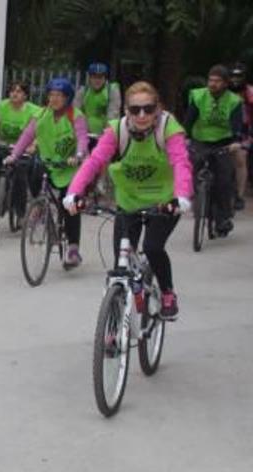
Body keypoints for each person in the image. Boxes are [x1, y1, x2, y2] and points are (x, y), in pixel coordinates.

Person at [63, 81, 193, 319]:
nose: (141, 115)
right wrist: (74, 192)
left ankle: (167, 293)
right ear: (126, 111)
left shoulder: (168, 128)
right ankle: (113, 327)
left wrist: (182, 196)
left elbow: (181, 163)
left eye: (148, 108)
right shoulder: (117, 130)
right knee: (120, 266)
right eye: (135, 110)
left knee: (153, 247)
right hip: (129, 202)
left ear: (158, 108)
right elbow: (94, 161)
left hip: (164, 203)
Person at [4, 77, 89, 268]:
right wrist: (14, 155)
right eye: (51, 95)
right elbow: (27, 135)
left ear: (67, 98)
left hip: (70, 167)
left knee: (70, 205)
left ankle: (73, 249)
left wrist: (78, 154)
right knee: (32, 169)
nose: (54, 99)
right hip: (49, 163)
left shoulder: (76, 116)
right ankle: (40, 207)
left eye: (59, 95)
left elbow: (82, 139)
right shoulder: (42, 115)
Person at [183, 64, 244, 236]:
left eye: (217, 81)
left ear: (225, 83)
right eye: (210, 80)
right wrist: (185, 137)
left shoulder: (234, 101)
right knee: (195, 170)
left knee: (223, 180)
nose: (212, 84)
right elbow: (189, 119)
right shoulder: (198, 96)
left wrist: (237, 141)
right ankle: (200, 203)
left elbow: (237, 125)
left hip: (223, 143)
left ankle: (223, 218)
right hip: (200, 140)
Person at [0, 81, 42, 217]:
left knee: (20, 175)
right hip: (5, 145)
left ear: (25, 95)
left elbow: (38, 130)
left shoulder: (34, 110)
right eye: (12, 90)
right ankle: (0, 197)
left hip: (24, 148)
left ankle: (20, 213)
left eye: (19, 91)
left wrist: (33, 145)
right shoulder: (3, 106)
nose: (14, 93)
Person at [74, 62, 122, 148]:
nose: (97, 80)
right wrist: (80, 132)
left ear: (105, 78)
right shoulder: (83, 91)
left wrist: (106, 133)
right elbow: (76, 111)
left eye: (100, 77)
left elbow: (113, 112)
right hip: (84, 135)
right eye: (94, 77)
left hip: (105, 135)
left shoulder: (112, 90)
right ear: (90, 78)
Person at [229, 62, 253, 209]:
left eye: (238, 76)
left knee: (240, 158)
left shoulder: (250, 92)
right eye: (232, 76)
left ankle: (239, 195)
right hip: (223, 129)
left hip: (245, 130)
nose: (235, 79)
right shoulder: (222, 90)